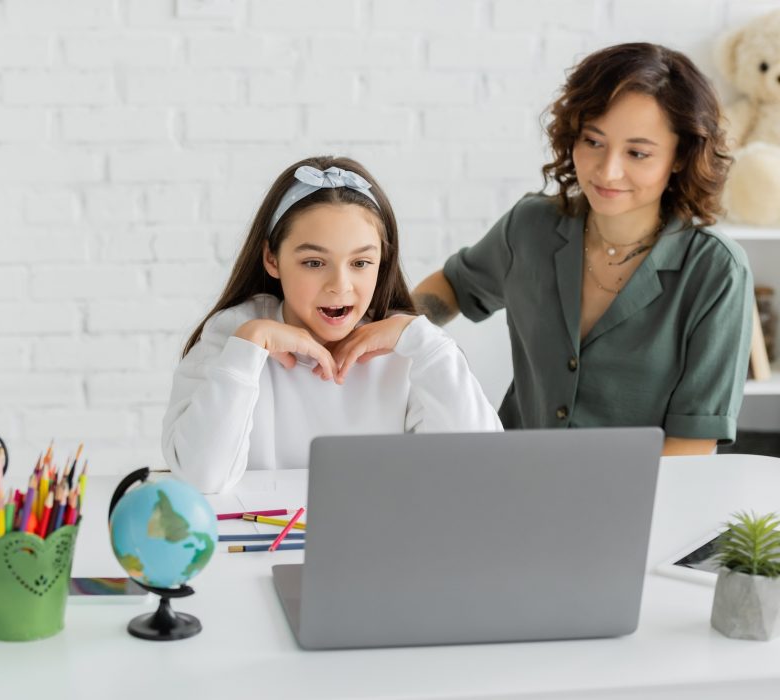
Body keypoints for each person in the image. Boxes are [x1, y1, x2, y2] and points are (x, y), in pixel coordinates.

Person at [413, 43, 753, 457]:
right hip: (513, 479)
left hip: (638, 501)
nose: (607, 170)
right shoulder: (530, 227)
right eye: (593, 142)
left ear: (680, 156)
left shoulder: (716, 271)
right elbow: (453, 286)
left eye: (637, 153)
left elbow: (692, 443)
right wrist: (388, 332)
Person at [162, 156, 501, 493]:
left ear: (381, 263)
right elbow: (199, 477)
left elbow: (482, 469)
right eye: (314, 262)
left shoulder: (406, 349)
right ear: (272, 259)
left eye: (361, 262)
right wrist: (248, 346)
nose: (340, 285)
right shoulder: (232, 335)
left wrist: (427, 342)